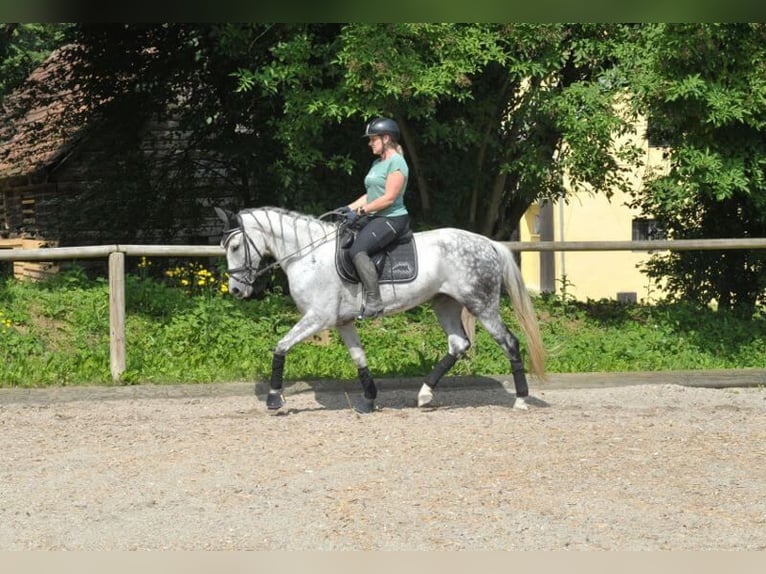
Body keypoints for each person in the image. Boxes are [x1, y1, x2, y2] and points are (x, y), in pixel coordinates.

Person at [337, 117, 411, 319]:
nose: (370, 144)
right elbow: (371, 195)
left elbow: (388, 198)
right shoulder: (378, 163)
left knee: (358, 250)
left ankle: (375, 303)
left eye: (373, 139)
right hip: (376, 216)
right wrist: (347, 208)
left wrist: (361, 212)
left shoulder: (397, 163)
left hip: (392, 218)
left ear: (386, 138)